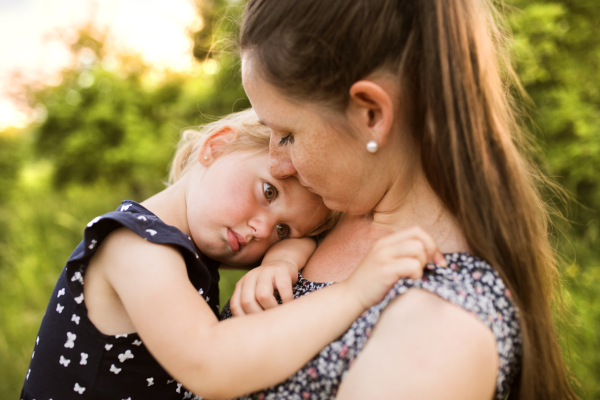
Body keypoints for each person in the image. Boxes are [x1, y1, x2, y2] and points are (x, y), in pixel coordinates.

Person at [226, 0, 578, 399]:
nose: (277, 165)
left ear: (371, 113)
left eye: (288, 135)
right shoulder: (321, 216)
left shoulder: (441, 329)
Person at [20, 109, 447, 400]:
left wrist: (284, 258)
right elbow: (210, 364)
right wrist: (353, 292)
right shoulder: (135, 247)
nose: (263, 229)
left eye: (283, 229)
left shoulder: (183, 244)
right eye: (268, 191)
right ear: (217, 146)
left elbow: (306, 239)